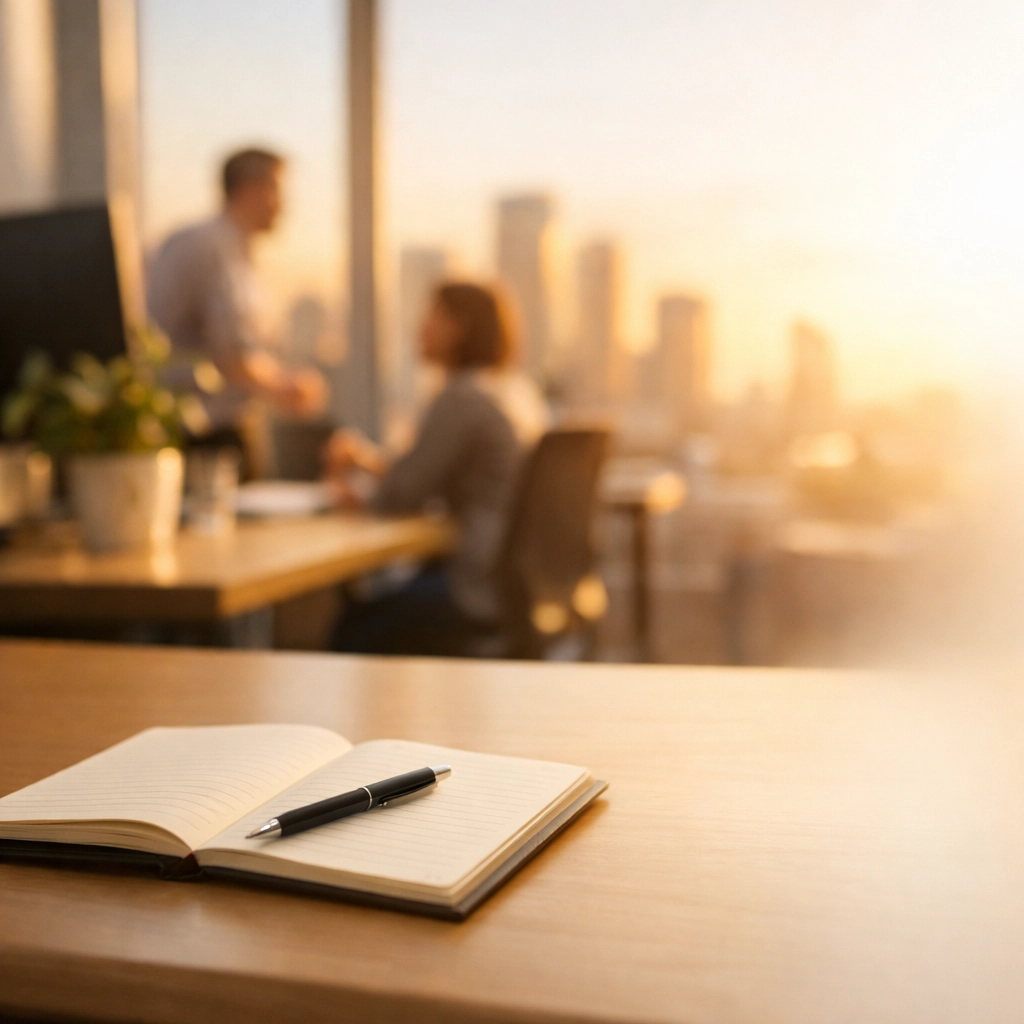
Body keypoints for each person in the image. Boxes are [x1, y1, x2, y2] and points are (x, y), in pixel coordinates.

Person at [328, 281, 549, 655]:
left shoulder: (461, 397)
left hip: (472, 586)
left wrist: (352, 494)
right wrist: (370, 463)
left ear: (459, 327)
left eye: (433, 316)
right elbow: (425, 472)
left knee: (353, 626)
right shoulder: (516, 393)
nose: (420, 329)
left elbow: (401, 494)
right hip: (511, 583)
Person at [148, 147, 327, 449]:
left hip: (223, 426)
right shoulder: (210, 248)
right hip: (202, 434)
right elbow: (231, 353)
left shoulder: (236, 252)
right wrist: (286, 387)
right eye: (277, 190)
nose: (283, 205)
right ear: (250, 189)